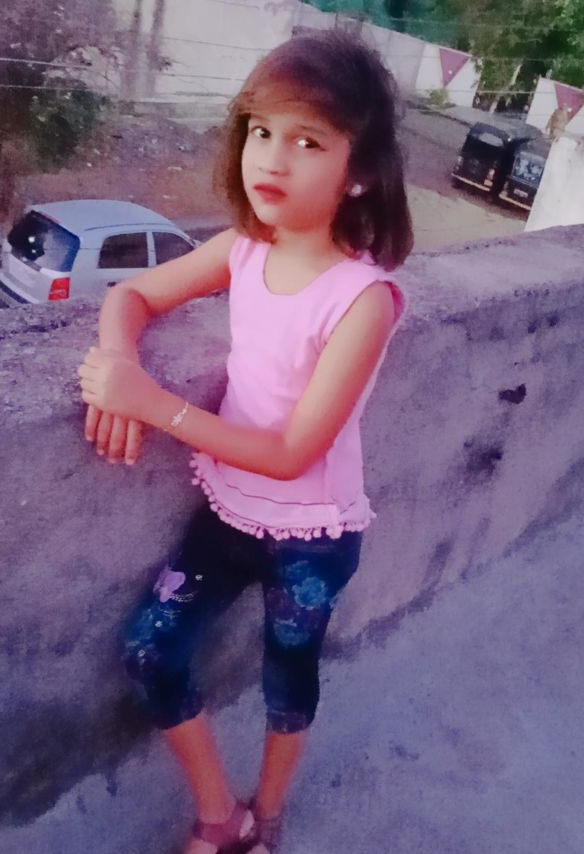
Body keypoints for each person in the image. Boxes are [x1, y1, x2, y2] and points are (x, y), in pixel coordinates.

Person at [77, 28, 413, 854]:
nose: (273, 157)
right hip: (229, 509)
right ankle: (218, 814)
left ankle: (268, 816)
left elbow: (294, 453)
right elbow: (130, 297)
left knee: (286, 681)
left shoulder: (362, 300)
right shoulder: (245, 249)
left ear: (360, 170)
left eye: (308, 141)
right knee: (150, 649)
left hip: (313, 534)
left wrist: (152, 404)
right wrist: (119, 363)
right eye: (262, 130)